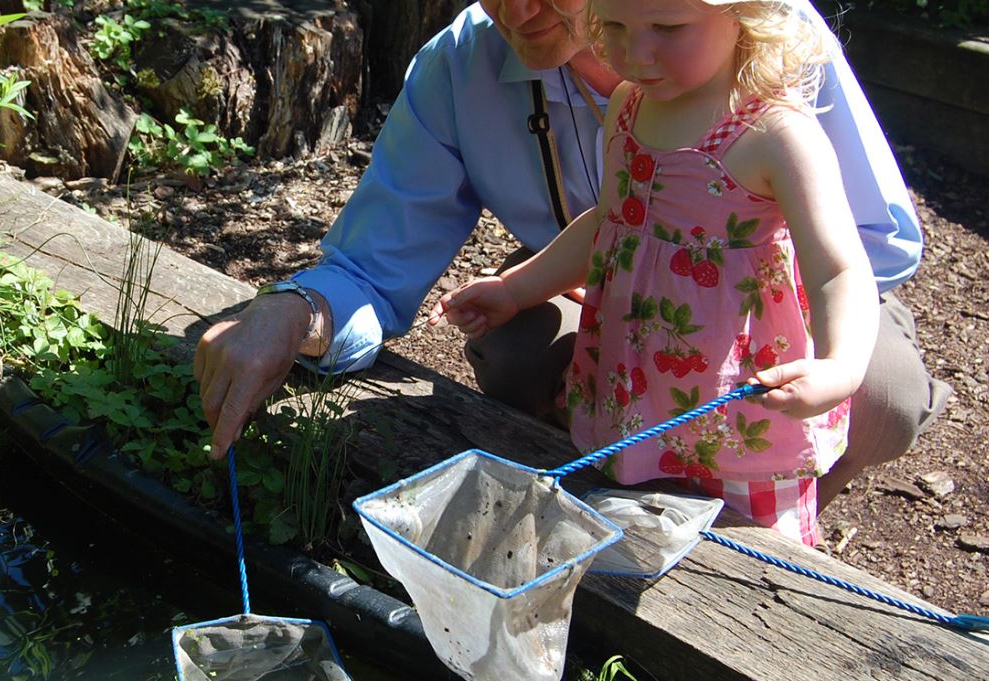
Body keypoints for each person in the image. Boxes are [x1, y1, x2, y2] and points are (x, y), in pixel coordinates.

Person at [193, 0, 948, 519]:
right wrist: (291, 314)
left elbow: (868, 246)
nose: (520, 12)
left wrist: (735, 310)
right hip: (612, 291)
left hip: (762, 295)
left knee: (877, 395)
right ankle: (622, 490)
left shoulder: (762, 36)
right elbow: (369, 268)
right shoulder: (462, 67)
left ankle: (768, 523)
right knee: (515, 346)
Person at [432, 0, 873, 546]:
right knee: (631, 528)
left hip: (734, 403)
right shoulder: (630, 105)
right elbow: (611, 224)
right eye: (615, 26)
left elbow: (839, 267)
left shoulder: (775, 134)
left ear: (744, 14)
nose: (635, 53)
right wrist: (515, 288)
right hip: (634, 384)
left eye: (667, 27)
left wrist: (841, 365)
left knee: (748, 558)